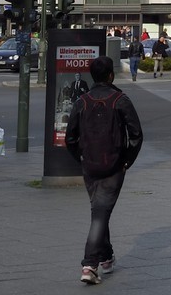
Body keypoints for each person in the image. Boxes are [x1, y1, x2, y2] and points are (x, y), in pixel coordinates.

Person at [66, 56, 144, 285]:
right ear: (111, 75)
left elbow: (70, 138)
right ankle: (90, 264)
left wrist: (80, 159)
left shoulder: (82, 101)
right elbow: (136, 135)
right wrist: (126, 161)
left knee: (99, 211)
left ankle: (107, 257)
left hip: (89, 165)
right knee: (100, 213)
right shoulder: (120, 100)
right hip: (113, 165)